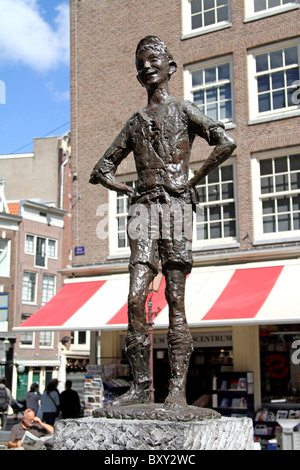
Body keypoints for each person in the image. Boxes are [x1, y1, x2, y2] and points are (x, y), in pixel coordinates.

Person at [90, 36, 236, 408]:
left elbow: (225, 142)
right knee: (135, 297)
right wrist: (128, 190)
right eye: (141, 61)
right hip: (143, 211)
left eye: (153, 59)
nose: (147, 66)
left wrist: (193, 179)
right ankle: (140, 387)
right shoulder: (135, 122)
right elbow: (101, 169)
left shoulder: (184, 110)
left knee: (175, 298)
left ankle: (175, 390)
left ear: (169, 66)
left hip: (175, 207)